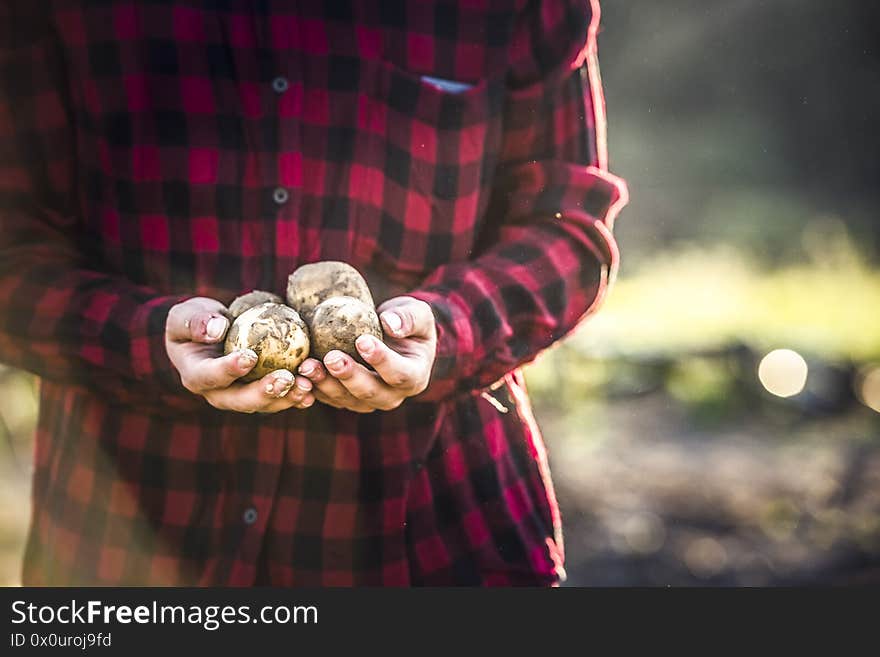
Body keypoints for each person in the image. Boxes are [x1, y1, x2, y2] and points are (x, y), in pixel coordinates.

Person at [0, 0, 627, 586]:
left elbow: (568, 228)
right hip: (120, 543)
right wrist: (142, 339)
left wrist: (451, 329)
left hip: (434, 538)